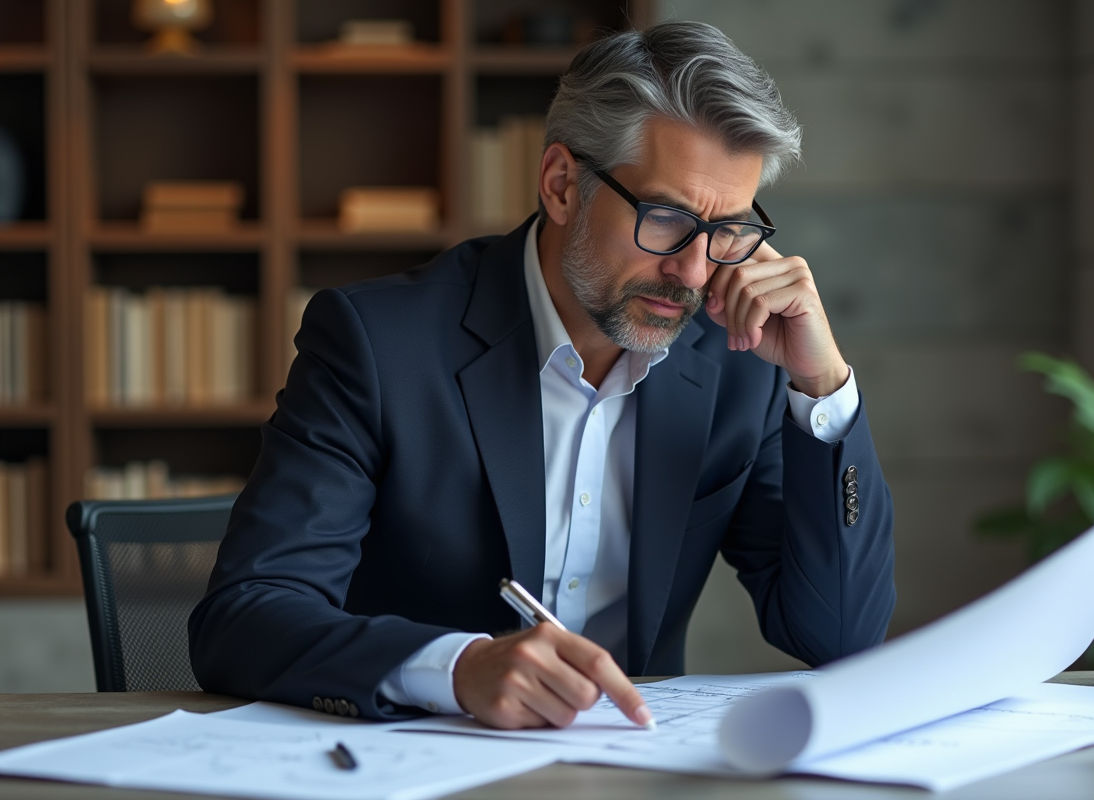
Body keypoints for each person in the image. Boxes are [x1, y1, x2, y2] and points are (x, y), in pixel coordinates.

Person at [189, 20, 895, 729]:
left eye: (726, 230)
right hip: (418, 757)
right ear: (561, 185)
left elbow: (837, 634)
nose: (693, 271)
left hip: (634, 765)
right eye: (665, 218)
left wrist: (822, 389)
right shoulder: (378, 344)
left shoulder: (741, 359)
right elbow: (245, 618)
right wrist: (455, 668)